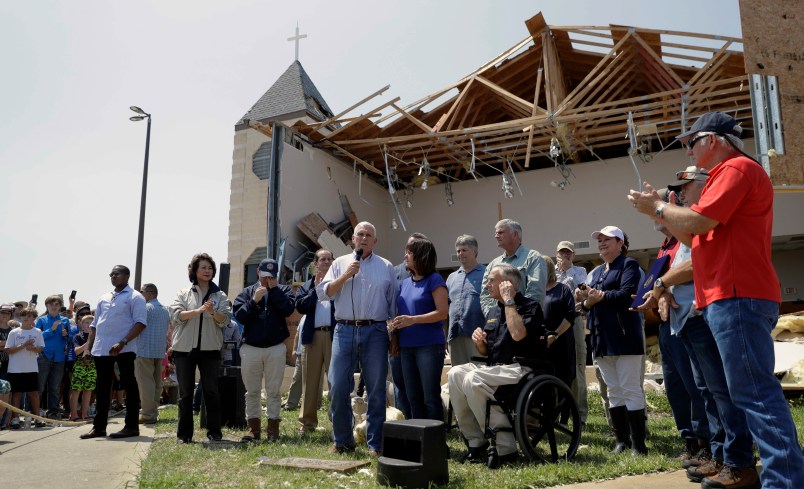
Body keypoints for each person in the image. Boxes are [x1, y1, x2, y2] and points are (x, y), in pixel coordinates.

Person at [628, 110, 804, 489]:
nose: (688, 151)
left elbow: (699, 225)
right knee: (746, 392)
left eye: (692, 142)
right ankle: (779, 476)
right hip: (730, 297)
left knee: (752, 393)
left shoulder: (736, 169)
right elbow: (695, 239)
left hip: (737, 295)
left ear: (714, 140)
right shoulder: (729, 176)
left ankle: (785, 481)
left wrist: (657, 207)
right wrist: (662, 214)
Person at [638, 169, 757, 485]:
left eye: (687, 188)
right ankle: (722, 456)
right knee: (708, 392)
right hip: (687, 319)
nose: (683, 194)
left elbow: (695, 263)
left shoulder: (706, 221)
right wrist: (662, 291)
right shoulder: (689, 227)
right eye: (680, 190)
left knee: (721, 391)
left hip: (703, 315)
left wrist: (662, 283)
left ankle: (738, 461)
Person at [448, 264, 545, 468]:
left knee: (473, 379)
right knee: (456, 373)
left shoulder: (530, 307)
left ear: (508, 284)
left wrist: (509, 301)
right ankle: (476, 441)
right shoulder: (493, 310)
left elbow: (518, 334)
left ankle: (505, 445)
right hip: (494, 368)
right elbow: (486, 352)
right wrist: (479, 342)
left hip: (520, 368)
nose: (487, 283)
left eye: (492, 279)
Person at [317, 221, 397, 456]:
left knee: (375, 389)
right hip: (344, 330)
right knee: (339, 386)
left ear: (375, 241)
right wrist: (346, 276)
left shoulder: (386, 266)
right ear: (353, 239)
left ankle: (375, 444)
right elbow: (324, 292)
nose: (363, 238)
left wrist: (395, 335)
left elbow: (392, 302)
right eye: (359, 234)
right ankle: (343, 440)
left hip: (376, 331)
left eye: (368, 235)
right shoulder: (340, 263)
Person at [575, 226, 647, 455]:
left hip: (624, 336)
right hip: (601, 337)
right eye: (600, 240)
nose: (602, 243)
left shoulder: (629, 265)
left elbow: (627, 295)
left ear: (620, 242)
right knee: (613, 391)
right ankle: (621, 441)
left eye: (607, 239)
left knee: (630, 388)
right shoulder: (596, 272)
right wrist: (585, 298)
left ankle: (639, 444)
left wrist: (599, 296)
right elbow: (588, 305)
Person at [170, 253, 232, 444]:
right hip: (183, 349)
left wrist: (213, 313)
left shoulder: (219, 295)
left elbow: (226, 320)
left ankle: (214, 432)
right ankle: (184, 435)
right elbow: (175, 316)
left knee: (212, 391)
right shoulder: (183, 293)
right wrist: (198, 311)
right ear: (195, 271)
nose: (207, 271)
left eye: (210, 268)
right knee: (186, 393)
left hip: (210, 349)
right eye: (203, 267)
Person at [80, 265, 146, 440]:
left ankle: (131, 426)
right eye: (111, 274)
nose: (113, 276)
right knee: (102, 388)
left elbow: (140, 323)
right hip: (101, 349)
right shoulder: (104, 297)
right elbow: (94, 325)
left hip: (124, 348)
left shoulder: (135, 297)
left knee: (128, 385)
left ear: (127, 276)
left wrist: (123, 342)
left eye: (116, 274)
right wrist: (87, 348)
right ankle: (99, 427)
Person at [233, 258, 295, 442]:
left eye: (271, 275)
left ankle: (273, 430)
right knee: (252, 391)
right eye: (264, 274)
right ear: (258, 271)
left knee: (274, 391)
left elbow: (288, 309)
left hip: (275, 347)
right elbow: (240, 316)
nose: (267, 279)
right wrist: (254, 300)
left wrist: (274, 290)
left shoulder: (282, 290)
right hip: (251, 348)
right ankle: (254, 429)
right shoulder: (247, 292)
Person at [391, 235, 448, 421]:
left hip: (429, 347)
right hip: (406, 347)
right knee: (413, 396)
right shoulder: (405, 283)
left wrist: (412, 320)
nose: (405, 256)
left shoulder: (435, 280)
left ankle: (435, 438)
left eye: (409, 253)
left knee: (430, 396)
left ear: (421, 256)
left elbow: (442, 313)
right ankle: (418, 437)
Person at [295, 249, 336, 434]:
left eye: (329, 259)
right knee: (310, 382)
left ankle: (338, 421)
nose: (326, 262)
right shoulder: (307, 285)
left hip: (335, 336)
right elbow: (301, 306)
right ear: (315, 264)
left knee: (337, 381)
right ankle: (307, 423)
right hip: (313, 336)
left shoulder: (340, 282)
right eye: (322, 259)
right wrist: (316, 290)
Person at [479, 219, 547, 316]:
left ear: (515, 234)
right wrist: (494, 315)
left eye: (500, 232)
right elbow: (485, 295)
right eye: (496, 233)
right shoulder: (493, 264)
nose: (496, 236)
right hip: (498, 323)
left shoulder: (533, 258)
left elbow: (536, 293)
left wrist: (515, 315)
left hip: (523, 321)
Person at [554, 241, 589, 426]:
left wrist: (567, 273)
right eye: (562, 253)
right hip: (555, 322)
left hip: (574, 320)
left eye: (568, 253)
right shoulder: (551, 271)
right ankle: (558, 413)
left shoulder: (580, 271)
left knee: (577, 367)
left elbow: (582, 293)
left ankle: (580, 415)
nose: (565, 256)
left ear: (573, 255)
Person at [445, 235, 485, 367]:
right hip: (455, 336)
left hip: (477, 336)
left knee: (478, 375)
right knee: (457, 375)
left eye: (464, 250)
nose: (460, 253)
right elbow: (446, 307)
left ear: (475, 252)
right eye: (458, 251)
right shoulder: (451, 278)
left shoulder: (486, 274)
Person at [135, 283, 171, 425]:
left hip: (144, 350)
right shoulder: (165, 310)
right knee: (157, 383)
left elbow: (137, 327)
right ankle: (153, 412)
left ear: (149, 293)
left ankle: (148, 415)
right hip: (159, 351)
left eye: (142, 292)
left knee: (146, 384)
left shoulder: (145, 308)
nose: (140, 294)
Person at [3, 308, 44, 429]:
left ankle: (37, 419)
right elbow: (8, 350)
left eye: (29, 315)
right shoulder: (14, 332)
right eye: (24, 315)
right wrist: (23, 345)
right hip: (15, 369)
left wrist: (33, 348)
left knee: (34, 394)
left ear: (33, 318)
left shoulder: (37, 332)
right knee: (16, 394)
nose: (26, 317)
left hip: (31, 368)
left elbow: (40, 348)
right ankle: (15, 419)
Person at [540, 257, 576, 389]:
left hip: (562, 343)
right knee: (544, 386)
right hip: (541, 345)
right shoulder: (533, 292)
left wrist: (555, 335)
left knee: (563, 383)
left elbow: (570, 315)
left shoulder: (563, 289)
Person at [35, 295, 72, 418]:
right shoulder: (41, 320)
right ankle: (34, 412)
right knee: (39, 386)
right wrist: (52, 329)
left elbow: (71, 339)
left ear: (60, 306)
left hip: (59, 357)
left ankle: (53, 412)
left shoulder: (65, 320)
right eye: (51, 304)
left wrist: (67, 335)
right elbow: (36, 337)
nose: (54, 307)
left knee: (55, 388)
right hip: (44, 356)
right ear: (47, 306)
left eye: (57, 304)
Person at [70, 313, 96, 421]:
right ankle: (74, 414)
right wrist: (88, 343)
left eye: (91, 323)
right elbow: (76, 351)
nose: (89, 325)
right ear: (81, 324)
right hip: (79, 366)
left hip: (92, 366)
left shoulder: (97, 337)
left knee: (88, 390)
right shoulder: (78, 336)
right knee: (76, 390)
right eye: (86, 322)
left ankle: (84, 414)